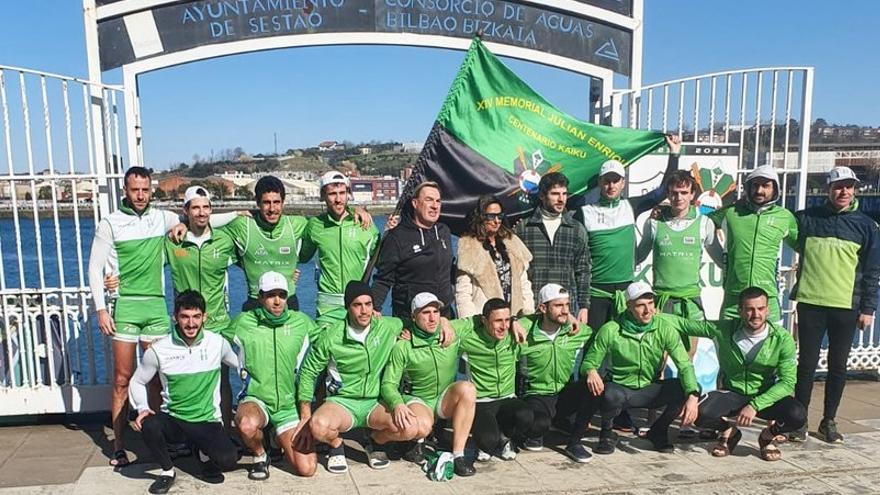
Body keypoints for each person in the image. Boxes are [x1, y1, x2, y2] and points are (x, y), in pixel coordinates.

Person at [88, 166, 189, 467]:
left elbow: (196, 218)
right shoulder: (110, 223)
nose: (141, 195)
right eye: (135, 190)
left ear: (151, 190)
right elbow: (94, 268)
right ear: (125, 190)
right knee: (121, 380)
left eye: (145, 190)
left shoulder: (161, 218)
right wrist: (101, 308)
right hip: (127, 307)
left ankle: (158, 444)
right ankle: (118, 446)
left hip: (156, 307)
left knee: (157, 377)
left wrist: (180, 226)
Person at [299, 281, 450, 473]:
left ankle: (375, 442)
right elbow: (308, 372)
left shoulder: (387, 326)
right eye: (357, 305)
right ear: (348, 307)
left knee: (411, 428)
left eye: (368, 304)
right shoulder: (331, 336)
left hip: (375, 403)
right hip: (342, 403)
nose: (364, 311)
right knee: (318, 426)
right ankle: (336, 445)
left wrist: (444, 321)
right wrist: (305, 415)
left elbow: (418, 318)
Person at [789, 166, 880, 443]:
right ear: (828, 188)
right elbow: (775, 223)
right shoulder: (806, 219)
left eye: (849, 186)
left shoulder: (866, 226)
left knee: (838, 367)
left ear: (855, 190)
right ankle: (798, 421)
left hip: (845, 306)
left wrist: (868, 308)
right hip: (811, 303)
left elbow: (872, 270)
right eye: (838, 186)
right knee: (805, 365)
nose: (844, 191)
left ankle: (828, 421)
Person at [673, 286, 805, 461]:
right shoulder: (724, 329)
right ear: (740, 311)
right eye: (749, 309)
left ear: (767, 310)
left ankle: (768, 436)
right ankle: (728, 431)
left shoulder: (782, 338)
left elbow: (788, 382)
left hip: (764, 395)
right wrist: (651, 315)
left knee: (797, 415)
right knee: (698, 412)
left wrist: (755, 406)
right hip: (733, 393)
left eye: (760, 309)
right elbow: (684, 324)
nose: (755, 314)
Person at [129, 291, 240, 494]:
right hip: (175, 419)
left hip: (207, 420)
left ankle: (202, 453)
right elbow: (137, 381)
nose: (191, 324)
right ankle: (167, 470)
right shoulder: (159, 350)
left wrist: (248, 348)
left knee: (228, 459)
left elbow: (241, 365)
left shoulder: (218, 343)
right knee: (150, 425)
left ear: (204, 317)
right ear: (175, 317)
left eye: (196, 316)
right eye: (185, 317)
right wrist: (142, 408)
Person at [579, 281, 699, 455]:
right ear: (628, 306)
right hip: (621, 388)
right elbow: (589, 362)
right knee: (608, 392)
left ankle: (658, 430)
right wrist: (591, 372)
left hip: (649, 388)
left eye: (650, 304)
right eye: (641, 305)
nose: (648, 310)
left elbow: (685, 365)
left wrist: (693, 395)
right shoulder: (611, 329)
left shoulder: (664, 328)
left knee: (688, 388)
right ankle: (607, 433)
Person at [224, 175, 371, 311]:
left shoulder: (298, 224)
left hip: (288, 303)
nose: (272, 209)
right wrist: (234, 214)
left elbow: (329, 221)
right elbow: (206, 226)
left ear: (283, 202)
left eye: (276, 202)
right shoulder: (242, 226)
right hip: (255, 304)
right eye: (266, 203)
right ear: (257, 203)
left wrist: (355, 210)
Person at [229, 272, 318, 480]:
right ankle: (261, 454)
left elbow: (329, 341)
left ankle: (275, 436)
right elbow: (213, 342)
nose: (277, 301)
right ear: (260, 297)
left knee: (307, 469)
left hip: (288, 406)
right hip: (256, 400)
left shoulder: (301, 322)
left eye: (282, 295)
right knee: (246, 426)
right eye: (270, 295)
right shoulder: (243, 322)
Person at [380, 292, 478, 476]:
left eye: (436, 311)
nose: (432, 318)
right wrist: (397, 403)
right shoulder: (403, 345)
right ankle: (380, 439)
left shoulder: (450, 334)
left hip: (443, 399)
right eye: (425, 313)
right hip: (418, 399)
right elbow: (388, 384)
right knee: (423, 425)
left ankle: (458, 455)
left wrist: (513, 321)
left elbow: (478, 320)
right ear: (413, 316)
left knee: (468, 389)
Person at [708, 164, 798, 321]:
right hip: (733, 300)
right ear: (748, 187)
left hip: (767, 298)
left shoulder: (785, 217)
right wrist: (722, 260)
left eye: (766, 186)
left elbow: (804, 247)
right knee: (727, 345)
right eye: (755, 185)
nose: (759, 190)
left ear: (775, 189)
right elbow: (701, 222)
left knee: (770, 346)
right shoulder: (731, 212)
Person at [517, 284, 594, 463]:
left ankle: (574, 442)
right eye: (558, 306)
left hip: (563, 392)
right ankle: (539, 430)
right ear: (543, 308)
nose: (565, 311)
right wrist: (513, 320)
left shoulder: (576, 330)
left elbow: (603, 340)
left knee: (597, 387)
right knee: (539, 425)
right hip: (536, 393)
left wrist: (591, 370)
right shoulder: (524, 328)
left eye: (567, 305)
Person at [299, 171, 380, 328]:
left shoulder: (364, 224)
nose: (338, 199)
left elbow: (383, 263)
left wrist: (375, 301)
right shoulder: (314, 225)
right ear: (323, 196)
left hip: (358, 304)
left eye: (342, 193)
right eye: (332, 194)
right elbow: (301, 257)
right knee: (324, 350)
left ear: (348, 194)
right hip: (327, 308)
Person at [515, 173, 591, 323]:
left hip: (567, 309)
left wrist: (584, 306)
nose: (561, 199)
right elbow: (516, 272)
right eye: (555, 194)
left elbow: (583, 270)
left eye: (564, 194)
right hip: (533, 307)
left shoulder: (577, 229)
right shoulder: (523, 228)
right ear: (542, 196)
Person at [464, 299, 534, 461]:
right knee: (488, 441)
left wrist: (515, 321)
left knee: (526, 416)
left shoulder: (513, 333)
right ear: (484, 320)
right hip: (481, 401)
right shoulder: (469, 339)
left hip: (507, 398)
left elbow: (543, 317)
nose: (504, 326)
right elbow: (446, 328)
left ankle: (505, 437)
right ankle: (486, 440)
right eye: (497, 321)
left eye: (507, 320)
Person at [373, 181, 454, 318]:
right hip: (410, 318)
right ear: (415, 204)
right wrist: (374, 308)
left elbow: (449, 271)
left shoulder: (443, 231)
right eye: (429, 200)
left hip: (443, 316)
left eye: (438, 201)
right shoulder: (397, 236)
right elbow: (383, 279)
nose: (435, 206)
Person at [456, 196, 534, 318]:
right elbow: (463, 292)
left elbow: (524, 284)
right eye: (491, 216)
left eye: (500, 216)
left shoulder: (512, 241)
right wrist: (469, 322)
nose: (497, 221)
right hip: (484, 318)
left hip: (515, 316)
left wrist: (528, 313)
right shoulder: (468, 245)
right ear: (481, 217)